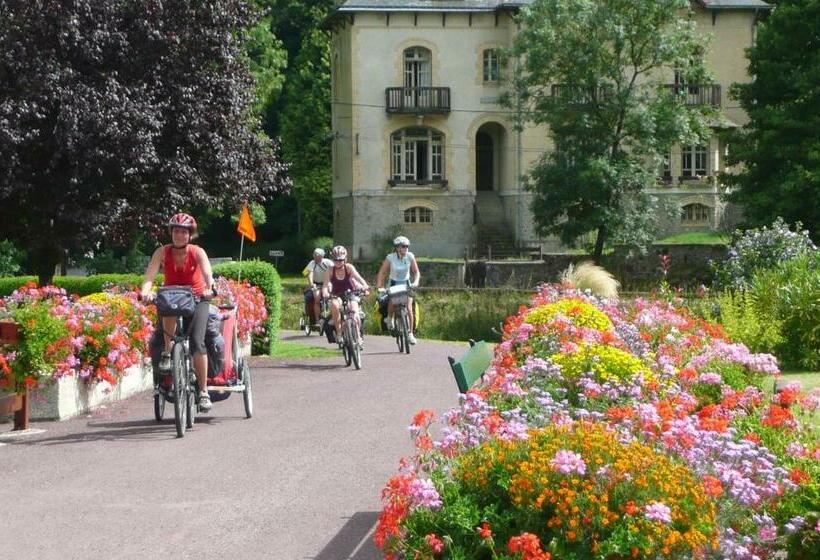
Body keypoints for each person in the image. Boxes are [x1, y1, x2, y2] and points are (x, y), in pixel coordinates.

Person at [141, 213, 216, 412]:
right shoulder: (162, 252)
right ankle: (167, 352)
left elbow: (208, 272)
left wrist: (210, 288)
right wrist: (145, 292)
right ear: (171, 232)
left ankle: (203, 392)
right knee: (168, 304)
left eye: (184, 232)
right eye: (176, 231)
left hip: (198, 298)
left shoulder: (197, 252)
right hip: (172, 297)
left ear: (190, 235)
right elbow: (150, 275)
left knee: (198, 342)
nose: (179, 235)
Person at [375, 235, 420, 344]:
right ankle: (390, 319)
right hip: (394, 283)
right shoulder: (390, 257)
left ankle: (410, 334)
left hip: (406, 283)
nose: (405, 249)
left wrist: (416, 282)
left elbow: (416, 272)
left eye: (406, 246)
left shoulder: (410, 256)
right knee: (393, 302)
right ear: (397, 248)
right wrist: (379, 286)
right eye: (403, 246)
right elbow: (382, 273)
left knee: (409, 306)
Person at [322, 245, 369, 343]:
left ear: (345, 259)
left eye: (341, 260)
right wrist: (325, 293)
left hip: (350, 293)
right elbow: (325, 285)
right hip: (336, 294)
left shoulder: (349, 268)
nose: (338, 262)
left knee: (355, 312)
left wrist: (365, 286)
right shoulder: (329, 270)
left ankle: (358, 335)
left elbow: (359, 278)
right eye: (336, 260)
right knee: (334, 305)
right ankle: (339, 333)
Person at [304, 248, 333, 326]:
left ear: (322, 256)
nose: (315, 257)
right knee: (317, 298)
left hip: (327, 283)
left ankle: (331, 316)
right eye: (314, 255)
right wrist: (311, 284)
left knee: (331, 296)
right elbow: (306, 273)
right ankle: (317, 321)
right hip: (316, 284)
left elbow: (334, 270)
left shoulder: (328, 262)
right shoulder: (312, 263)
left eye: (317, 256)